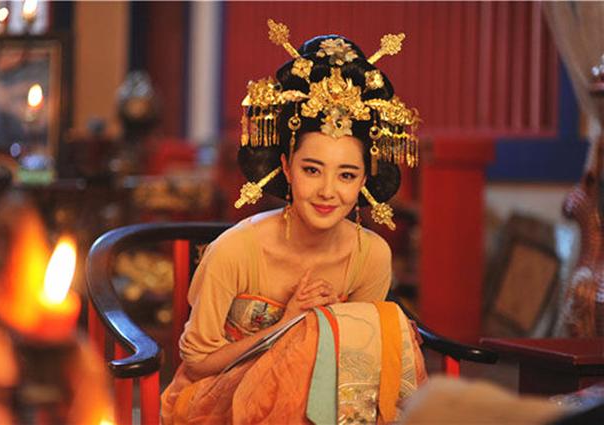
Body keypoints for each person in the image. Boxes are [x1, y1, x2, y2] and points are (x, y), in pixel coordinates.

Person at [161, 20, 425, 424]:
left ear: (363, 182)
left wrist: (331, 326)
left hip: (324, 406)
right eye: (312, 170)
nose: (328, 192)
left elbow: (357, 367)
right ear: (286, 167)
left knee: (382, 329)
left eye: (347, 175)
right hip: (218, 400)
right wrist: (290, 325)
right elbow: (197, 364)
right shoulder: (235, 249)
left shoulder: (371, 255)